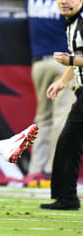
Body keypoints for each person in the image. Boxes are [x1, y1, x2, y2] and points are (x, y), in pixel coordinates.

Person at [25, 0, 76, 185]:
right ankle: (52, 171)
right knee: (61, 118)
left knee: (43, 119)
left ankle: (34, 171)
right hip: (63, 62)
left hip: (39, 62)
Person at [40, 0, 83, 210]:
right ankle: (67, 198)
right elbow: (77, 57)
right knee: (69, 142)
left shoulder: (81, 21)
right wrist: (62, 81)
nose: (64, 2)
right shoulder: (71, 22)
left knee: (69, 142)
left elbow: (76, 59)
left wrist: (71, 61)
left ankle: (67, 198)